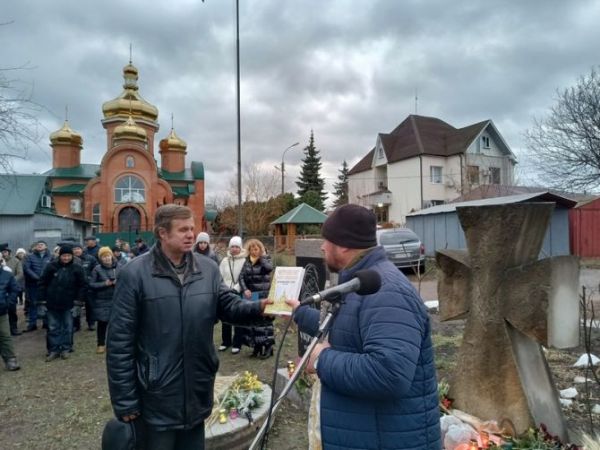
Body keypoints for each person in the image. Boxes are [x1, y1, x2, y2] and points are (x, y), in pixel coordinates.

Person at [106, 204, 271, 450]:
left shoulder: (208, 269)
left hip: (197, 390)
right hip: (156, 395)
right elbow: (119, 342)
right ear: (162, 233)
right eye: (183, 230)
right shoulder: (134, 274)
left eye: (193, 229)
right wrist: (125, 400)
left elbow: (229, 306)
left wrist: (261, 308)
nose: (191, 235)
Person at [287, 204, 441, 450]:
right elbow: (348, 327)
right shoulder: (362, 282)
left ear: (345, 244)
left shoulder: (387, 291)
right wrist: (299, 314)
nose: (322, 246)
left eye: (327, 239)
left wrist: (321, 359)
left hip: (388, 439)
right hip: (368, 432)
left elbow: (390, 374)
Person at [38, 244, 87, 361]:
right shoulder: (51, 267)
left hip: (69, 303)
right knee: (53, 327)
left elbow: (83, 286)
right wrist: (41, 302)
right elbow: (42, 284)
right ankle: (53, 349)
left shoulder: (77, 268)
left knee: (68, 327)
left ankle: (66, 348)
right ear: (60, 256)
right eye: (64, 256)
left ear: (72, 256)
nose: (66, 258)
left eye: (68, 256)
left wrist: (78, 303)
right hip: (52, 302)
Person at [238, 238, 274, 358]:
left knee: (265, 322)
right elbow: (241, 277)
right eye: (252, 249)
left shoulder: (266, 259)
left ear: (260, 249)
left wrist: (261, 259)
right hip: (252, 296)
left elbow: (269, 269)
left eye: (256, 249)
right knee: (254, 322)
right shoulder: (247, 261)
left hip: (264, 295)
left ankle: (268, 347)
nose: (254, 251)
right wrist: (245, 289)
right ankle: (257, 347)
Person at [217, 236, 247, 353]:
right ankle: (226, 341)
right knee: (225, 318)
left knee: (238, 318)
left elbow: (243, 277)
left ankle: (237, 343)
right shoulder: (225, 261)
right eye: (232, 247)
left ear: (240, 248)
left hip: (237, 292)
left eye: (236, 247)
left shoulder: (245, 261)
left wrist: (236, 289)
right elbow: (220, 276)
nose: (234, 249)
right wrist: (223, 289)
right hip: (225, 292)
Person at [89, 247, 119, 354]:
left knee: (115, 324)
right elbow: (91, 284)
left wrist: (118, 282)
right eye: (103, 257)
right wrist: (104, 284)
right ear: (100, 258)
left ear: (111, 256)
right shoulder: (97, 269)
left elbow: (127, 280)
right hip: (101, 300)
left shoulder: (119, 267)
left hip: (116, 299)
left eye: (108, 256)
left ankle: (113, 344)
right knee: (102, 323)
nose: (106, 258)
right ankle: (101, 344)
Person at [23, 240, 51, 332]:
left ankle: (46, 323)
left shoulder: (51, 257)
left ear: (46, 246)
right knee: (33, 303)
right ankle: (32, 324)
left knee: (46, 303)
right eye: (38, 244)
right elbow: (27, 269)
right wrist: (37, 278)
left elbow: (53, 268)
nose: (39, 246)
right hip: (33, 284)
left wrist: (45, 279)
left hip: (47, 284)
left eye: (42, 244)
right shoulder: (29, 257)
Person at [0, 256, 20, 371]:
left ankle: (10, 360)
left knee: (5, 336)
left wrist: (8, 303)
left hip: (1, 311)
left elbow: (14, 289)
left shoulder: (7, 274)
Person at [72, 243, 97, 332]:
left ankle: (91, 323)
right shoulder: (71, 260)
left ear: (82, 249)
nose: (76, 250)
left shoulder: (90, 258)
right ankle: (76, 325)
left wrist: (90, 279)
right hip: (76, 287)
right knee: (76, 305)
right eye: (74, 249)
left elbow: (95, 270)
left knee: (90, 305)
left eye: (78, 248)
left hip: (88, 286)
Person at [1, 246, 24, 336]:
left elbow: (20, 273)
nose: (4, 253)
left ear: (9, 252)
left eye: (5, 252)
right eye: (2, 252)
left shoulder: (16, 261)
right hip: (1, 290)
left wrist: (10, 281)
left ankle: (13, 328)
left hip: (11, 289)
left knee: (12, 310)